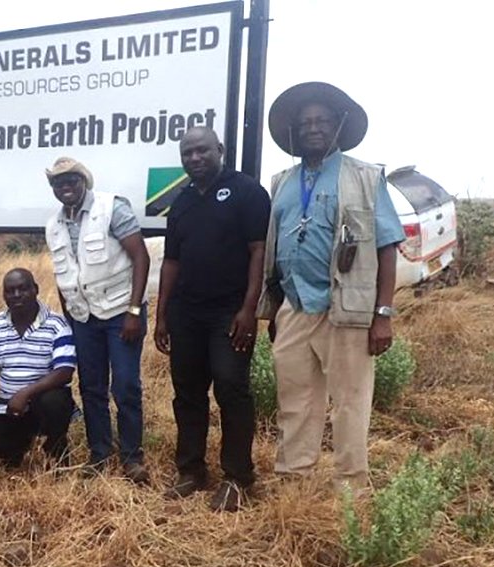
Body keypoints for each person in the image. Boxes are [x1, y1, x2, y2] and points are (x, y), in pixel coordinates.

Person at [258, 82, 406, 492]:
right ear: (294, 131)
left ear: (337, 127)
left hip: (347, 308)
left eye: (321, 121)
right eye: (305, 123)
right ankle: (294, 485)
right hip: (294, 307)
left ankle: (351, 489)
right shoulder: (282, 182)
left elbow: (387, 247)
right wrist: (273, 310)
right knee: (295, 401)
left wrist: (383, 315)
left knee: (350, 403)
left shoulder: (365, 177)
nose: (313, 128)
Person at [154, 127, 270, 511]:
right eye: (187, 153)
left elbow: (259, 252)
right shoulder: (182, 199)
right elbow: (172, 261)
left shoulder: (247, 192)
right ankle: (191, 471)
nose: (194, 158)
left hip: (230, 312)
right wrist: (162, 314)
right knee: (187, 393)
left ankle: (237, 478)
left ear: (219, 150)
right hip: (186, 312)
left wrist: (249, 309)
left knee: (231, 389)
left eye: (202, 150)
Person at [43, 157, 151, 484]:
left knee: (126, 386)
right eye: (59, 184)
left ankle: (132, 457)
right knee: (91, 389)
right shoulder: (53, 225)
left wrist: (134, 311)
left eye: (71, 181)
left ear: (83, 181)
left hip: (121, 315)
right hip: (83, 320)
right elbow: (65, 277)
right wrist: (69, 323)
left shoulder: (112, 208)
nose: (66, 188)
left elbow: (140, 257)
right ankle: (99, 455)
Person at [0, 269, 77, 469]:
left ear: (35, 290)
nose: (17, 295)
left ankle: (56, 449)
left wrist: (26, 393)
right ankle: (15, 450)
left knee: (56, 402)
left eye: (23, 289)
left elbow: (64, 372)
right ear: (4, 295)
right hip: (7, 406)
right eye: (10, 291)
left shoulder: (57, 324)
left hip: (42, 402)